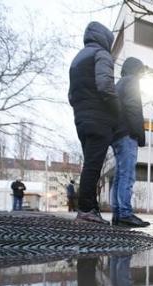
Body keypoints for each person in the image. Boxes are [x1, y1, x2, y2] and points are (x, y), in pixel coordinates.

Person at [68, 21, 118, 225]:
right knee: (93, 166)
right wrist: (117, 111)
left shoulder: (78, 58)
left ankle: (90, 207)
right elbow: (106, 86)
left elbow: (71, 95)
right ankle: (87, 209)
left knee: (90, 164)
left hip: (81, 118)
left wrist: (81, 110)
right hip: (98, 118)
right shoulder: (101, 54)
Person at [111, 57, 150, 228]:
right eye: (141, 72)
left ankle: (117, 214)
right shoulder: (132, 82)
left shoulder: (119, 83)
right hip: (127, 133)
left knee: (119, 176)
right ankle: (125, 214)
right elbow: (134, 108)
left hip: (116, 134)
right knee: (127, 175)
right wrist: (140, 135)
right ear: (136, 70)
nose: (141, 77)